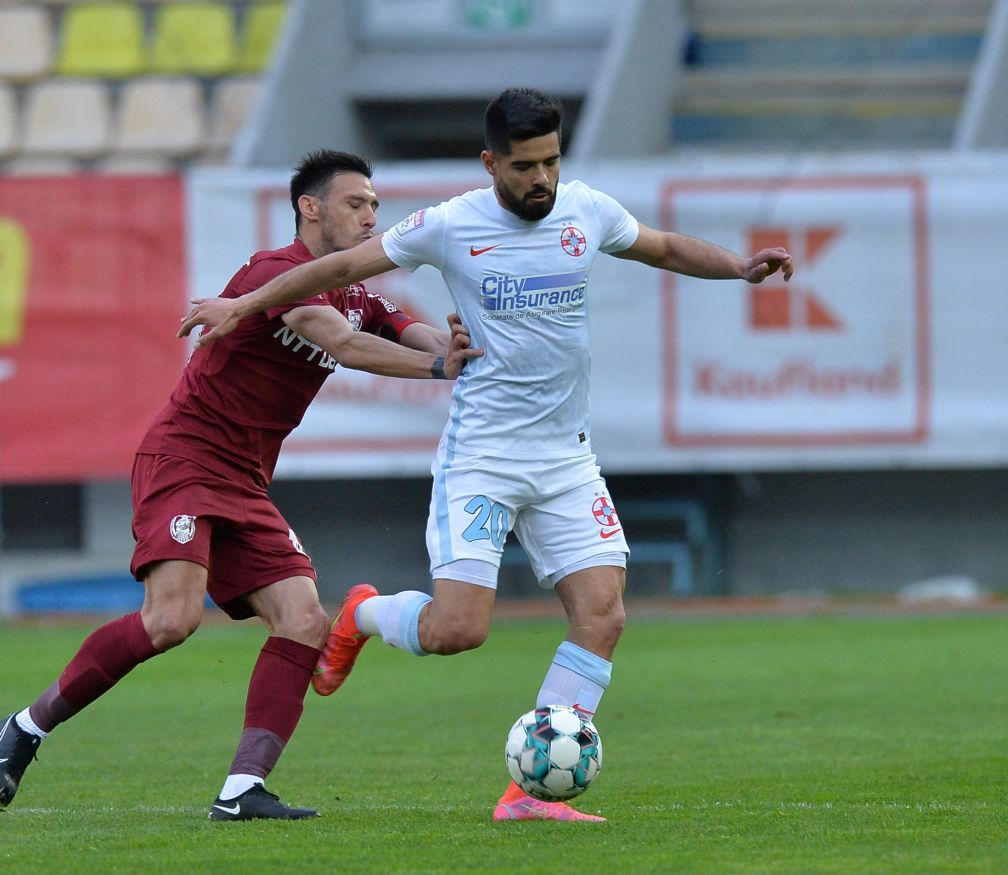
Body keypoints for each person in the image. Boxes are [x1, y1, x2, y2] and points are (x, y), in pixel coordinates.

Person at [177, 88, 795, 822]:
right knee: (457, 631)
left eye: (551, 162)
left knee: (603, 614)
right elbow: (334, 274)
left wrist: (738, 267)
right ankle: (364, 615)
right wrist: (244, 305)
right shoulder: (451, 224)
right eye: (526, 166)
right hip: (483, 457)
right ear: (491, 163)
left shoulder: (586, 210)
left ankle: (529, 794)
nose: (542, 179)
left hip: (566, 458)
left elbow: (661, 246)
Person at [0, 150, 481, 821]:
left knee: (304, 619)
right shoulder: (276, 274)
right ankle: (25, 727)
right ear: (311, 207)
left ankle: (242, 789)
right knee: (172, 619)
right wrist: (438, 369)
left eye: (374, 206)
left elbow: (401, 326)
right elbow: (348, 345)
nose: (371, 216)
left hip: (244, 479)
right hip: (185, 456)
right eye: (357, 203)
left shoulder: (355, 289)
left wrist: (461, 343)